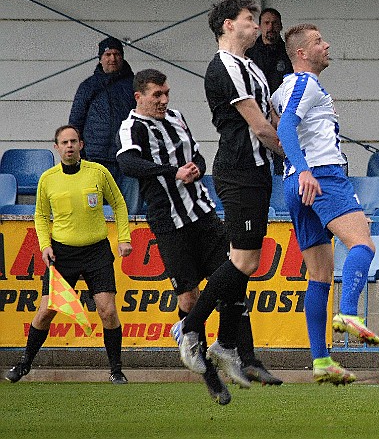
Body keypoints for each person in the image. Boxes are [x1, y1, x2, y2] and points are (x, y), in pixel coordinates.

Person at [117, 69, 282, 403]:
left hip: (203, 214)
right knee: (189, 298)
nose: (164, 101)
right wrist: (171, 172)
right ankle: (209, 376)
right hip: (169, 223)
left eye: (166, 93)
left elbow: (197, 155)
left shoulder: (177, 118)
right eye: (156, 95)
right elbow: (128, 163)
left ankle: (246, 359)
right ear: (139, 97)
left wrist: (194, 167)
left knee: (235, 279)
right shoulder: (131, 126)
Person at [174, 0, 284, 387]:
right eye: (249, 18)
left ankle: (224, 343)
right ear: (227, 25)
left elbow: (273, 117)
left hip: (256, 171)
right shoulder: (224, 66)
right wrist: (298, 159)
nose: (257, 25)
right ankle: (192, 328)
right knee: (242, 261)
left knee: (247, 262)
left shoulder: (252, 67)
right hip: (239, 170)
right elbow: (260, 126)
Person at [271, 23, 379, 386]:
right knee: (362, 244)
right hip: (320, 177)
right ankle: (348, 313)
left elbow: (276, 127)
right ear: (302, 53)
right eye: (319, 41)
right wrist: (305, 169)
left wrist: (295, 170)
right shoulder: (305, 83)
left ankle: (320, 360)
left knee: (319, 275)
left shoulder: (282, 89)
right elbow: (286, 128)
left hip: (294, 182)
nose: (327, 45)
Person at [5, 125, 132, 385]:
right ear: (57, 147)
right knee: (45, 312)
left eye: (74, 141)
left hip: (96, 251)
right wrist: (44, 246)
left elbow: (118, 204)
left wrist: (124, 238)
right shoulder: (48, 178)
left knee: (107, 311)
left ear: (81, 145)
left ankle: (116, 370)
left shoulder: (98, 172)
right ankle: (24, 364)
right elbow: (40, 215)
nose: (70, 146)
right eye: (64, 142)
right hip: (62, 253)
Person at [69, 37, 140, 212]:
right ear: (100, 58)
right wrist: (80, 153)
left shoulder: (136, 85)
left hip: (127, 158)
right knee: (94, 212)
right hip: (95, 159)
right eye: (108, 54)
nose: (112, 58)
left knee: (130, 213)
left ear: (122, 57)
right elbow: (75, 122)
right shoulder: (87, 86)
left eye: (116, 54)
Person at [245, 8, 292, 176]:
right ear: (259, 26)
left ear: (280, 26)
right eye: (266, 23)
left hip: (283, 118)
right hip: (255, 116)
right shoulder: (249, 53)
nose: (270, 27)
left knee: (282, 166)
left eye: (274, 23)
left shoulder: (289, 53)